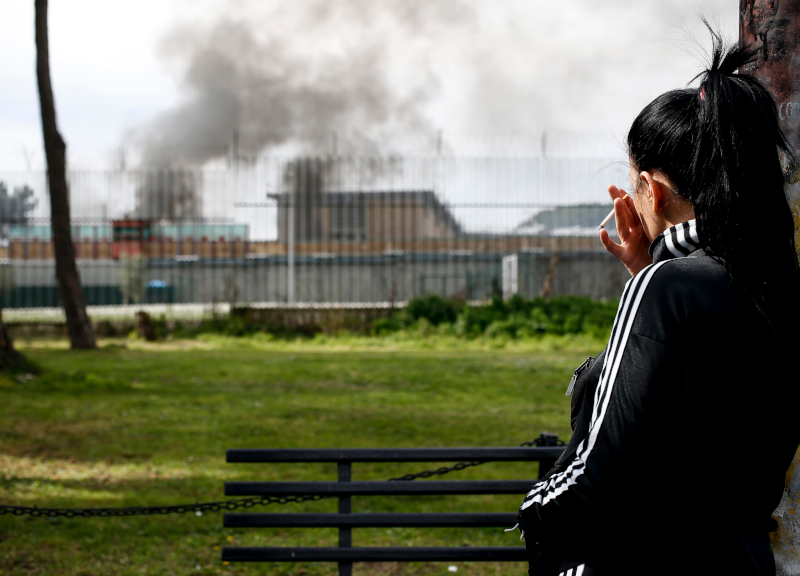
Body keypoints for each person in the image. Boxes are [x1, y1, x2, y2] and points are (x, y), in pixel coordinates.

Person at [513, 30, 800, 576]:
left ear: (652, 189)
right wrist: (647, 273)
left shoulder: (668, 289)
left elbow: (601, 474)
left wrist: (536, 511)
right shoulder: (771, 285)